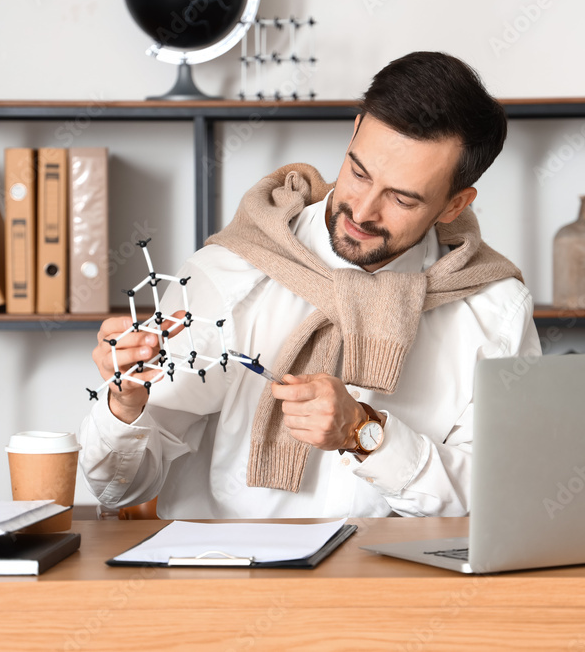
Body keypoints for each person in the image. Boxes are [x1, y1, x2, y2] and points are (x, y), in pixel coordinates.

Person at [79, 51, 541, 519]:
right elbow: (121, 489)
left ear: (453, 204)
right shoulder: (231, 274)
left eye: (402, 198)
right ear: (354, 130)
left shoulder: (495, 310)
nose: (362, 212)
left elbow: (500, 497)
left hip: (404, 588)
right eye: (359, 173)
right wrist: (124, 402)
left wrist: (365, 432)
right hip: (232, 581)